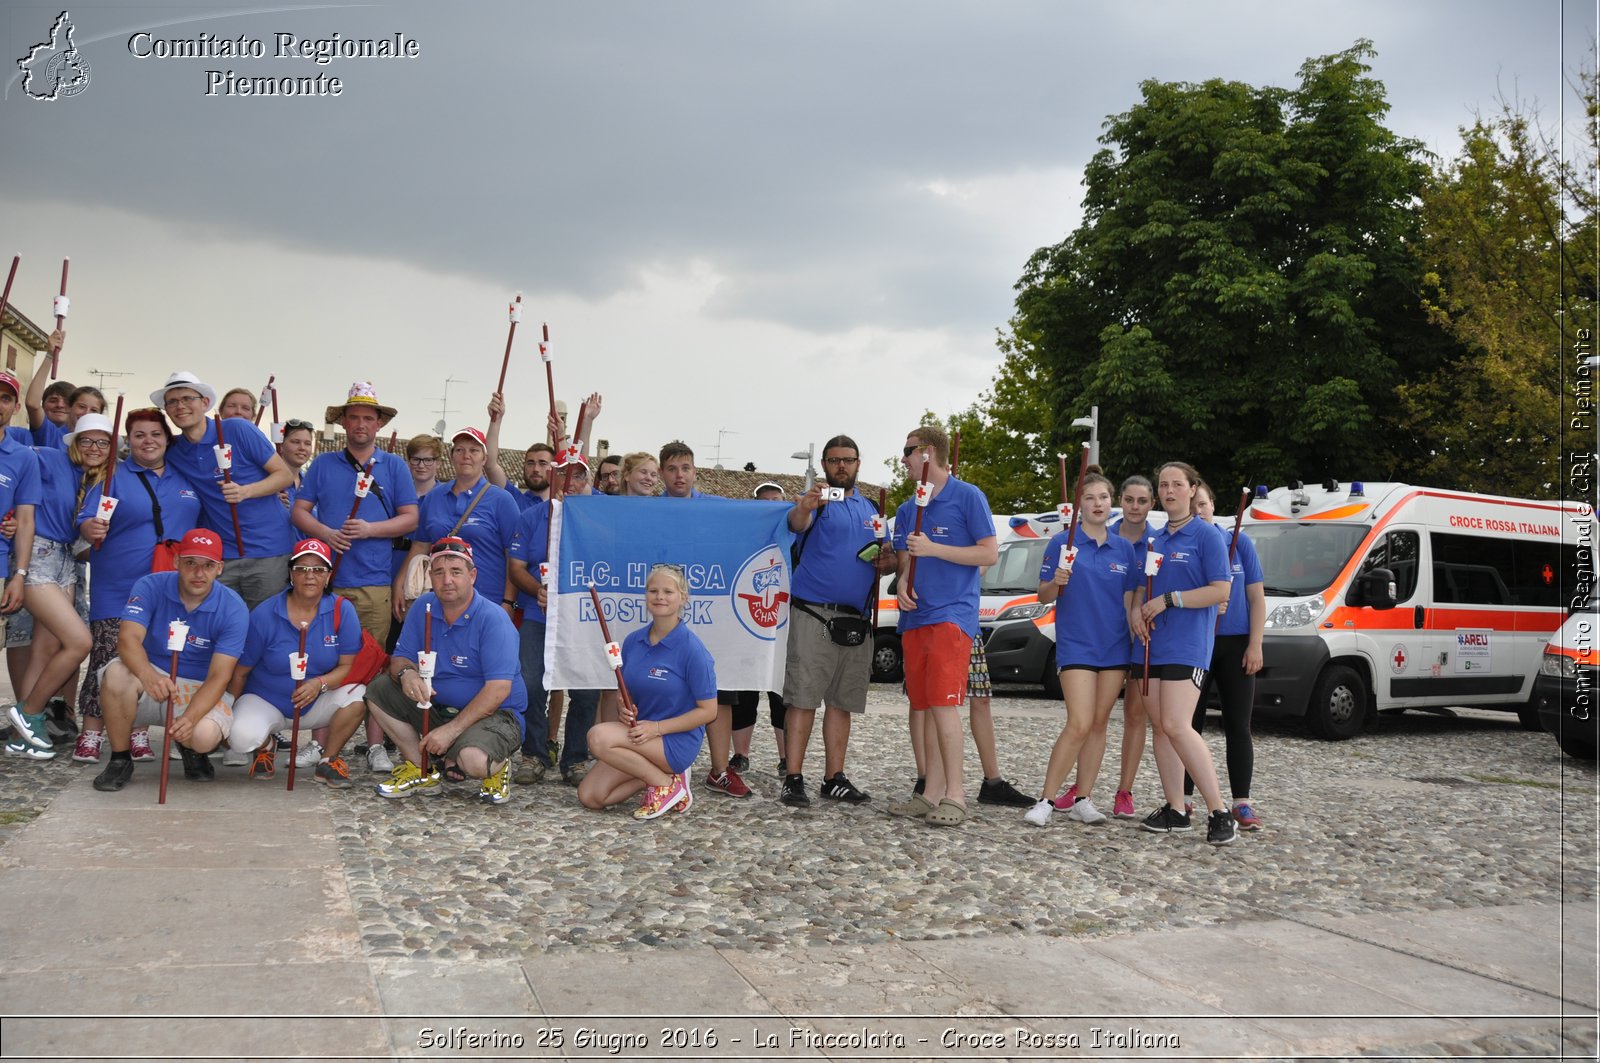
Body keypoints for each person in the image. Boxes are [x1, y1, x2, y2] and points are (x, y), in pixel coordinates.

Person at [293, 383, 418, 773]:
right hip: (326, 582)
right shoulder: (324, 464)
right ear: (343, 421)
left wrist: (370, 530)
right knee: (321, 661)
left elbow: (411, 517)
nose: (361, 424)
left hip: (373, 582)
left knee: (375, 665)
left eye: (368, 417)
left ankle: (375, 744)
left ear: (378, 424)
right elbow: (299, 511)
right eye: (354, 416)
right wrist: (325, 535)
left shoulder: (394, 466)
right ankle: (318, 740)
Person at [73, 406, 202, 765]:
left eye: (156, 434)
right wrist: (90, 528)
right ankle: (92, 732)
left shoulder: (187, 480)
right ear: (129, 441)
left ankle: (137, 731)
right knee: (108, 660)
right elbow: (84, 521)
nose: (148, 441)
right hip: (117, 587)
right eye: (140, 435)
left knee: (151, 661)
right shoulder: (113, 478)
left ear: (167, 439)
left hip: (168, 591)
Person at [887, 425, 997, 827]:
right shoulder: (905, 508)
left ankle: (956, 794)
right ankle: (930, 792)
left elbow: (989, 553)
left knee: (945, 704)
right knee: (924, 705)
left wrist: (935, 548)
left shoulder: (968, 496)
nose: (903, 459)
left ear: (929, 453)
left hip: (952, 615)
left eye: (909, 451)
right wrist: (901, 582)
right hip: (915, 617)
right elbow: (904, 561)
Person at [366, 536, 529, 803]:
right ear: (430, 575)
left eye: (456, 572)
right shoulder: (423, 607)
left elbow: (498, 690)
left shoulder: (493, 619)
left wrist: (450, 732)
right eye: (439, 572)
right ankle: (421, 768)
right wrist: (407, 674)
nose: (447, 580)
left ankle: (495, 766)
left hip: (495, 714)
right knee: (379, 690)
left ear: (472, 575)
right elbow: (400, 658)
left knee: (474, 761)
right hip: (439, 706)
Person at [90, 529, 249, 791]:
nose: (199, 573)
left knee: (202, 736)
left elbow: (220, 675)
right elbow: (128, 639)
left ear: (219, 568)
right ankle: (120, 759)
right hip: (154, 676)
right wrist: (148, 675)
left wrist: (192, 716)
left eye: (208, 565)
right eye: (191, 563)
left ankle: (191, 749)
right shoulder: (150, 585)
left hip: (200, 685)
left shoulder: (233, 607)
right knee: (117, 674)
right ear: (176, 562)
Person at [1023, 469, 1138, 826]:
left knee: (1099, 724)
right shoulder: (1063, 543)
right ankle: (1046, 799)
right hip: (1077, 645)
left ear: (1112, 501)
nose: (1098, 504)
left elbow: (1131, 600)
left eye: (1103, 497)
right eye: (1090, 498)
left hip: (1115, 647)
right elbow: (1044, 595)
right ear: (1079, 505)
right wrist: (1056, 582)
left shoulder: (1124, 548)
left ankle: (1083, 799)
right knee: (1079, 722)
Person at [778, 439, 890, 807]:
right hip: (814, 613)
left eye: (847, 460)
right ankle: (793, 777)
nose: (841, 466)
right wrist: (807, 506)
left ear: (859, 463)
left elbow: (886, 558)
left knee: (842, 703)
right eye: (834, 460)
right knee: (803, 698)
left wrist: (886, 561)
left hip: (856, 618)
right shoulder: (816, 501)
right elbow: (796, 524)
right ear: (824, 463)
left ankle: (834, 778)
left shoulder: (870, 507)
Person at [1130, 461, 1237, 845]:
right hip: (1152, 646)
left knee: (1177, 724)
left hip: (1188, 645)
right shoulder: (1154, 539)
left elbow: (1221, 590)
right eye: (1164, 485)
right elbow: (1141, 588)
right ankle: (1176, 809)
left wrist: (1169, 600)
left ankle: (1219, 810)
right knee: (1161, 727)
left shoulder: (1206, 536)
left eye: (1177, 484)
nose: (1169, 490)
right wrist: (1136, 613)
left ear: (1193, 490)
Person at [4, 413, 110, 756]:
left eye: (102, 442)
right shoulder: (49, 457)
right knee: (80, 641)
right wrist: (6, 519)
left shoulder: (101, 480)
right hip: (36, 554)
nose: (93, 448)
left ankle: (23, 737)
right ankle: (29, 712)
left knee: (45, 648)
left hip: (67, 560)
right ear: (74, 443)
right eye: (86, 440)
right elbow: (13, 471)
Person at [223, 539, 369, 786]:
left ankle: (328, 760)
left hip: (315, 701)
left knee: (360, 695)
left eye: (318, 569)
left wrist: (319, 684)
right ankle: (265, 746)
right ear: (291, 573)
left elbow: (346, 666)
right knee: (238, 737)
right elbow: (241, 670)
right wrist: (226, 711)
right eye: (302, 568)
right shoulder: (265, 613)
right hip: (266, 699)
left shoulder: (341, 610)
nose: (309, 576)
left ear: (328, 576)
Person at [577, 563, 717, 819]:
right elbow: (627, 693)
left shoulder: (693, 650)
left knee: (598, 736)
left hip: (673, 741)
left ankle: (666, 785)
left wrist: (657, 728)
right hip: (640, 736)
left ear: (683, 598)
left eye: (668, 591)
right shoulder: (633, 641)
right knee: (591, 796)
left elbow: (709, 711)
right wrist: (623, 707)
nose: (660, 597)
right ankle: (663, 779)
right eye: (653, 591)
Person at [1058, 473, 1157, 819]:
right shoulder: (1090, 538)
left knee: (1128, 716)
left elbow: (1141, 594)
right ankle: (1071, 791)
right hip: (1093, 643)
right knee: (1085, 720)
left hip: (1134, 641)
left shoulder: (1151, 543)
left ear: (1151, 505)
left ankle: (1119, 791)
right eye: (1128, 500)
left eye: (1142, 501)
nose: (1134, 507)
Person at [155, 371, 296, 611]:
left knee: (265, 630)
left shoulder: (238, 429)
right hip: (220, 556)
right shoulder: (174, 451)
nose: (180, 406)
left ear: (205, 403)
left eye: (188, 398)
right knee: (223, 627)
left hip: (268, 552)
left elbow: (284, 476)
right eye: (172, 401)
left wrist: (246, 491)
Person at [1181, 481, 1266, 830]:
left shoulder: (1238, 542)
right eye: (1193, 505)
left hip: (1235, 644)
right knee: (1188, 725)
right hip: (1197, 644)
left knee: (1238, 724)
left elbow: (1257, 598)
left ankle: (1241, 802)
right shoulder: (1187, 544)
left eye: (1203, 504)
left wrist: (1255, 644)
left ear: (1213, 505)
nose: (1199, 510)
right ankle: (1183, 800)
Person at [393, 428, 519, 622]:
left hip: (487, 601)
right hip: (440, 601)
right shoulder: (434, 497)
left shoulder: (502, 500)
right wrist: (399, 584)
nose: (466, 456)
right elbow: (420, 545)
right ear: (452, 457)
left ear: (484, 458)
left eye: (474, 451)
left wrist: (508, 602)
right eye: (460, 450)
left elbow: (513, 555)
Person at [0, 370, 43, 757]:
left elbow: (27, 520)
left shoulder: (22, 457)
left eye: (4, 398)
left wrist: (20, 574)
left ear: (13, 407)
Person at [276, 419, 317, 511]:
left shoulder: (311, 484)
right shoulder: (266, 480)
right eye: (295, 442)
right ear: (281, 445)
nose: (302, 448)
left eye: (307, 444)